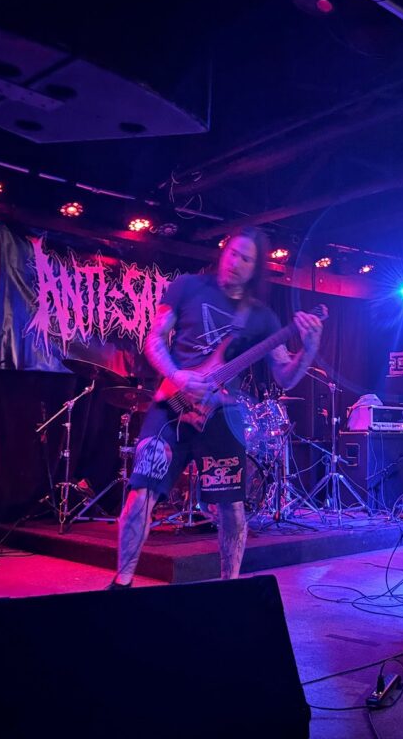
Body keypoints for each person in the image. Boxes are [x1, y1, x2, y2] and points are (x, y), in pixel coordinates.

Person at [108, 225, 323, 588]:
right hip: (171, 405)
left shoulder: (262, 317)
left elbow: (285, 376)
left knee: (232, 509)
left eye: (246, 259)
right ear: (223, 251)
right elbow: (154, 339)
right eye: (232, 253)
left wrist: (310, 348)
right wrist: (178, 376)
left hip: (222, 415)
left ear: (255, 268)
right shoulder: (188, 287)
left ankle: (229, 589)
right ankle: (122, 582)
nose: (235, 263)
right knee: (140, 495)